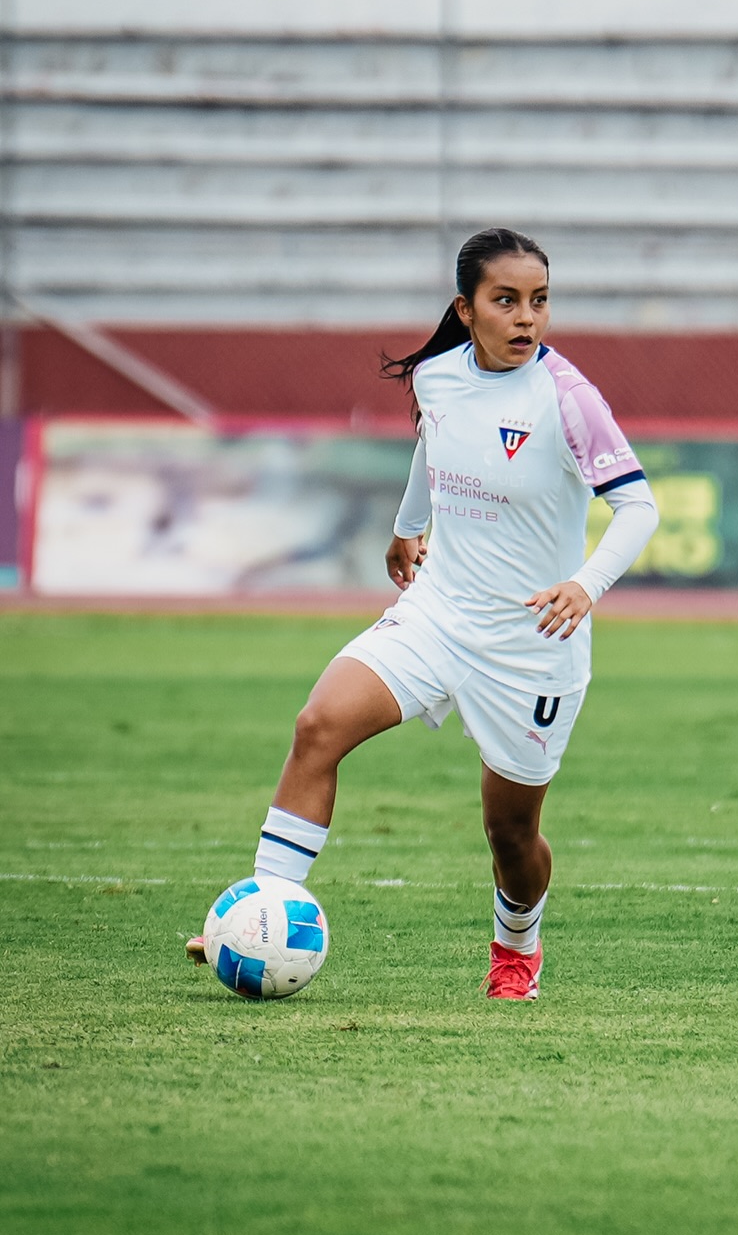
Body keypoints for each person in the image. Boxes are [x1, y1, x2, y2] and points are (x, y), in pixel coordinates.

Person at [187, 227, 658, 1000]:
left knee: (510, 834)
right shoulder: (439, 375)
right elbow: (430, 443)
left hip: (532, 644)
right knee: (318, 728)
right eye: (505, 301)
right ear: (465, 309)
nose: (526, 318)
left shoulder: (567, 397)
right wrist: (410, 524)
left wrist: (586, 584)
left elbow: (637, 507)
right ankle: (257, 914)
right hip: (440, 612)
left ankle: (518, 946)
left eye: (539, 301)